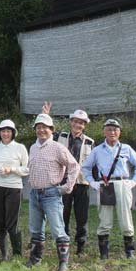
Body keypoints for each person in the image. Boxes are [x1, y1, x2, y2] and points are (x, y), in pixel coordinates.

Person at [81, 119, 136, 260]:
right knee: (104, 220)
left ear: (119, 132)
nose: (112, 132)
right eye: (109, 129)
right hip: (105, 186)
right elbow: (85, 167)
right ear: (104, 131)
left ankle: (130, 252)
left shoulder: (126, 148)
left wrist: (133, 181)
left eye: (115, 129)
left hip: (122, 184)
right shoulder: (97, 150)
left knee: (126, 219)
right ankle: (104, 254)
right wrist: (92, 182)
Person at [26, 114, 79, 271]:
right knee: (35, 229)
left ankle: (63, 263)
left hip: (51, 193)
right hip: (34, 194)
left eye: (45, 127)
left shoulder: (58, 148)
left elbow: (74, 166)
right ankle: (35, 258)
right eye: (38, 127)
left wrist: (66, 187)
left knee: (57, 229)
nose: (41, 130)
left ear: (51, 130)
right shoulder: (33, 148)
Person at [42, 102, 95, 256]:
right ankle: (63, 245)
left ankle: (80, 247)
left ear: (84, 125)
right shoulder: (60, 136)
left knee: (81, 216)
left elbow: (93, 164)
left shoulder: (90, 142)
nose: (77, 124)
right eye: (75, 121)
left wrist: (95, 181)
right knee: (62, 214)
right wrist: (46, 115)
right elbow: (46, 133)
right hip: (63, 183)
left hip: (81, 184)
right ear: (71, 122)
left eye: (81, 122)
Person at [0, 119, 29, 261]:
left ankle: (17, 254)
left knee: (12, 223)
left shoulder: (20, 148)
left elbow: (27, 169)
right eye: (3, 131)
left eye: (8, 131)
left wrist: (13, 169)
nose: (5, 134)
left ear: (13, 133)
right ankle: (4, 254)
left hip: (14, 188)